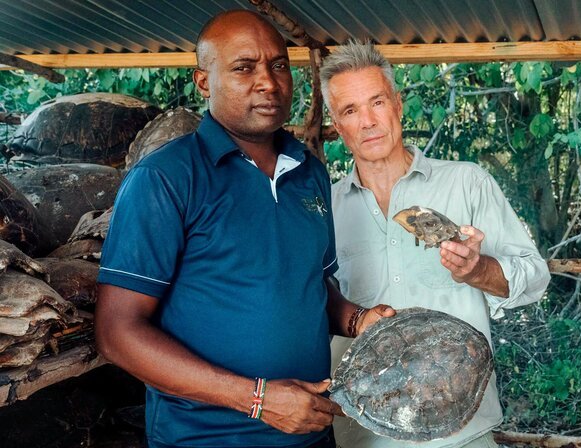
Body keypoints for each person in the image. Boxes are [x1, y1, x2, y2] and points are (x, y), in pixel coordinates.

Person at [95, 12, 394, 448]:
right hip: (207, 440)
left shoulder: (308, 172)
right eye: (243, 67)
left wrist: (358, 319)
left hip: (311, 435)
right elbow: (116, 334)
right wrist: (258, 400)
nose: (268, 83)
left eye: (278, 65)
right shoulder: (166, 178)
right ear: (203, 82)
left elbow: (311, 283)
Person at [320, 41, 551, 448]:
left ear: (398, 104)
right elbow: (310, 304)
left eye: (376, 102)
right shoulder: (324, 210)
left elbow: (535, 279)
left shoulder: (467, 183)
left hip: (461, 431)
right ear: (338, 126)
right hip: (365, 433)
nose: (368, 121)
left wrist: (479, 271)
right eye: (350, 111)